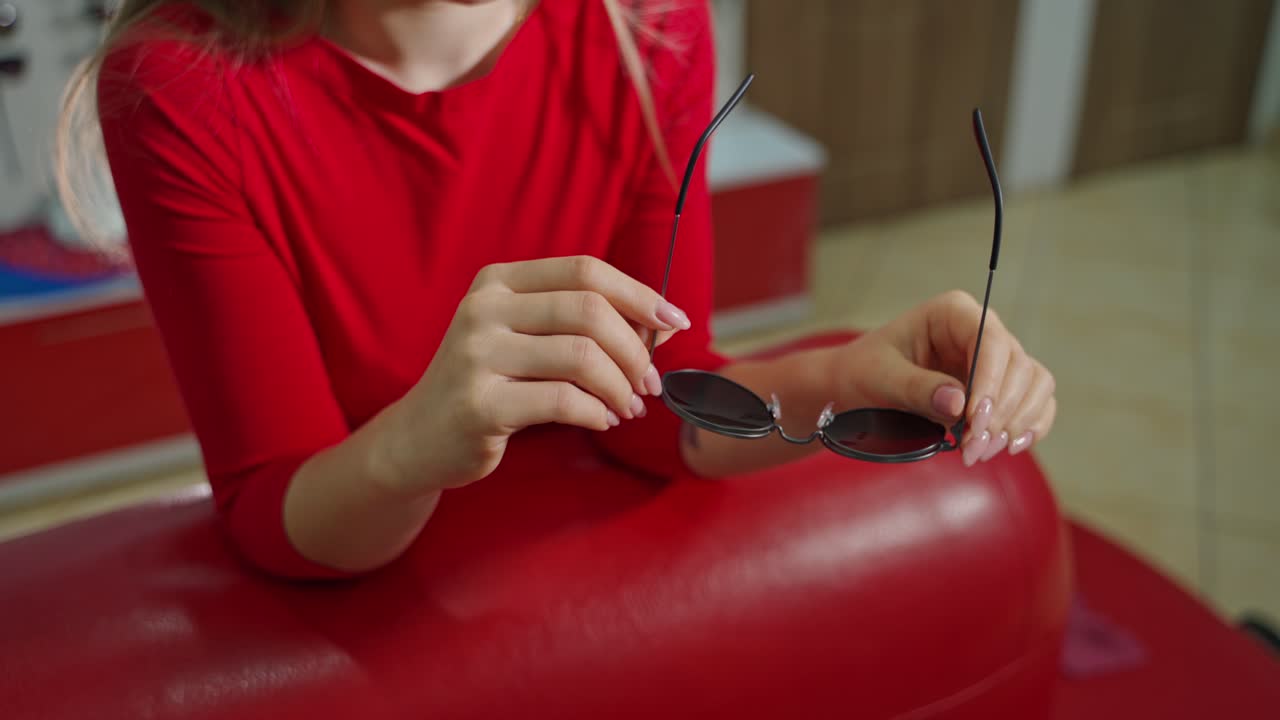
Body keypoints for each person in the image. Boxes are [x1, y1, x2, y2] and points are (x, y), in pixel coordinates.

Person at [58, 0, 1056, 579]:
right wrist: (416, 446)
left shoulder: (646, 24)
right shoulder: (179, 83)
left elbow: (653, 409)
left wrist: (843, 376)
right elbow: (273, 508)